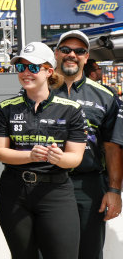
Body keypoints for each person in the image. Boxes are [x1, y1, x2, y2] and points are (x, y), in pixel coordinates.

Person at [0, 41, 87, 259]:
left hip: (55, 192)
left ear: (49, 72)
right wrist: (30, 155)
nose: (26, 72)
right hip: (13, 191)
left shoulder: (71, 109)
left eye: (33, 67)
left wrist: (60, 158)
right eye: (21, 67)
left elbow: (75, 158)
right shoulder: (6, 108)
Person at [53, 30, 123, 259]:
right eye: (66, 50)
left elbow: (113, 147)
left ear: (86, 57)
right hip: (47, 183)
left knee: (89, 253)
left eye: (79, 51)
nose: (71, 55)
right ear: (57, 53)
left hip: (88, 186)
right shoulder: (38, 91)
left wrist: (114, 190)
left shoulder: (106, 96)